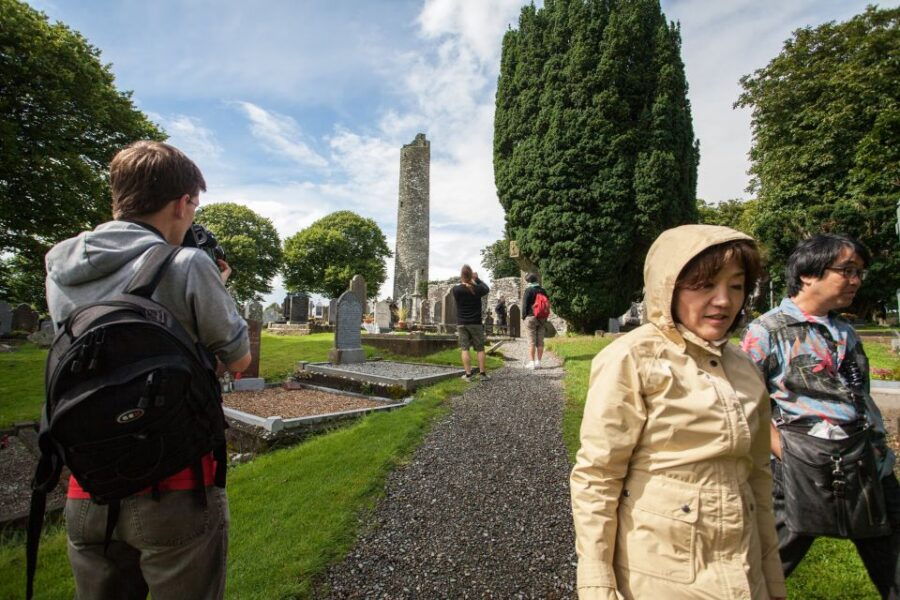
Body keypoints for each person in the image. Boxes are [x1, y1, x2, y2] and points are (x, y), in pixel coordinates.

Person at [44, 141, 251, 600]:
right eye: (194, 207)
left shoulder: (59, 266)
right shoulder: (189, 263)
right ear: (183, 203)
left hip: (87, 482)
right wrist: (216, 285)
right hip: (177, 482)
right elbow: (238, 358)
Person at [570, 225, 786, 600]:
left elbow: (759, 480)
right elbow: (597, 476)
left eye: (736, 286)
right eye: (704, 285)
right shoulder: (632, 359)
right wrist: (596, 584)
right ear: (667, 287)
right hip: (661, 574)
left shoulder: (745, 368)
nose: (723, 301)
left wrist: (771, 578)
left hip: (743, 570)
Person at [741, 234, 899, 598]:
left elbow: (859, 396)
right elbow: (747, 403)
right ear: (809, 274)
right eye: (847, 270)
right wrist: (785, 453)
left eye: (860, 272)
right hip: (801, 470)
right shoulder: (767, 331)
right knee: (766, 570)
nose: (856, 280)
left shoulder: (844, 330)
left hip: (870, 468)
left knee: (894, 565)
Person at [452, 264, 490, 381]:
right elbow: (486, 288)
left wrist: (469, 280)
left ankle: (468, 375)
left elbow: (461, 286)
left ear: (461, 276)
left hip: (462, 323)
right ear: (471, 275)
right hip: (475, 323)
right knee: (480, 348)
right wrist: (477, 279)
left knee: (465, 349)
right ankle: (482, 374)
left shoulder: (456, 289)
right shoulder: (477, 289)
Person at [522, 273, 548, 369]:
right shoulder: (543, 290)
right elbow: (546, 304)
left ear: (528, 281)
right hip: (542, 318)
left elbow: (524, 305)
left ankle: (532, 363)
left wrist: (524, 317)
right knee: (540, 341)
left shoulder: (528, 290)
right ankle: (539, 363)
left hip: (530, 317)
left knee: (531, 341)